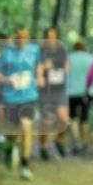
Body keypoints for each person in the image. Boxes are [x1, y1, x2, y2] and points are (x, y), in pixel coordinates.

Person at [0, 29, 43, 180]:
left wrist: (40, 76)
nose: (20, 40)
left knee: (26, 127)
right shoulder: (7, 52)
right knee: (13, 133)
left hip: (29, 95)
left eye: (23, 37)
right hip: (11, 97)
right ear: (15, 38)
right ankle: (9, 148)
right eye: (18, 37)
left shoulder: (34, 50)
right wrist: (3, 79)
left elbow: (38, 65)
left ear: (28, 38)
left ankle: (25, 165)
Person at [38, 26, 70, 160]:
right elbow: (37, 67)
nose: (51, 40)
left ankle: (59, 139)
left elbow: (67, 65)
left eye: (53, 37)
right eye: (49, 37)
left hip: (60, 89)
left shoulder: (61, 50)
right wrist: (42, 72)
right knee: (46, 120)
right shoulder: (40, 51)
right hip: (46, 91)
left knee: (63, 119)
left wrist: (64, 70)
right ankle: (43, 146)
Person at [67, 40, 93, 154]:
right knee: (85, 118)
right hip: (87, 93)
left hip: (71, 92)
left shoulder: (69, 58)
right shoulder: (92, 59)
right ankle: (85, 143)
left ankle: (76, 141)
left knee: (72, 117)